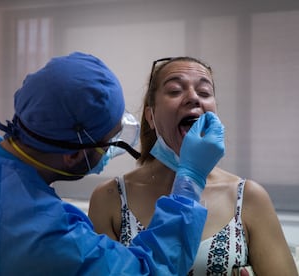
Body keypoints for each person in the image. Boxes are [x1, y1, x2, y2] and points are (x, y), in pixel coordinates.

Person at [0, 52, 225, 275]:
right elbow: (149, 270)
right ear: (72, 154)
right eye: (108, 140)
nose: (193, 98)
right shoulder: (45, 232)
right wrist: (190, 180)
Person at [88, 56, 298, 275]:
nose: (193, 98)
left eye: (205, 92)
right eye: (175, 90)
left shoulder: (248, 197)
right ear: (151, 117)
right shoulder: (110, 197)